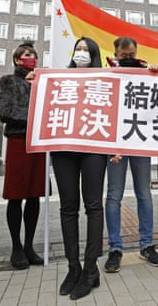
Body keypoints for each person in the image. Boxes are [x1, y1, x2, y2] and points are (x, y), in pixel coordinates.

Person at [51, 37, 107, 300]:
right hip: (64, 148)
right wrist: (35, 85)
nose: (81, 53)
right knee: (68, 206)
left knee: (94, 206)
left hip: (94, 146)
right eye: (78, 49)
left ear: (94, 55)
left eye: (87, 49)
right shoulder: (59, 79)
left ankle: (91, 267)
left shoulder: (105, 79)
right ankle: (73, 267)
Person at [104, 37, 158, 273]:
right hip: (115, 143)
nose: (128, 58)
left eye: (132, 54)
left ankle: (147, 245)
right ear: (115, 53)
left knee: (144, 194)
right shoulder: (106, 72)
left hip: (140, 140)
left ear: (136, 52)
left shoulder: (147, 72)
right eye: (123, 54)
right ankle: (115, 248)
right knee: (113, 195)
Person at [0, 41, 46, 270]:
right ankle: (16, 247)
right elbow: (6, 112)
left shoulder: (43, 82)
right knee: (16, 196)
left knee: (35, 196)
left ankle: (29, 246)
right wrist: (30, 96)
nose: (31, 58)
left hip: (38, 142)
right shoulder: (7, 81)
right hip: (18, 140)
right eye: (26, 54)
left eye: (33, 55)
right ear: (17, 59)